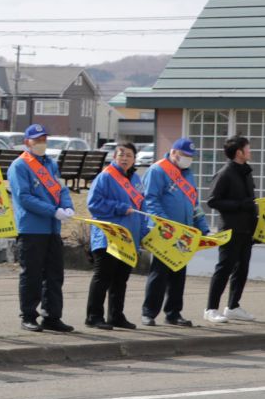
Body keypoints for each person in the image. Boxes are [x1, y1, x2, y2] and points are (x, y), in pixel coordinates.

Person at [10, 124, 77, 332]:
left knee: (55, 274)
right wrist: (53, 211)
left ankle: (52, 316)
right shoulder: (19, 166)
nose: (41, 143)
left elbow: (61, 188)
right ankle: (29, 315)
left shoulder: (51, 164)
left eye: (44, 139)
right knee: (31, 275)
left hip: (52, 228)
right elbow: (24, 198)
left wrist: (67, 206)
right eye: (37, 140)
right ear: (27, 142)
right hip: (31, 228)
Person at [141, 137, 209, 327]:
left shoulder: (188, 174)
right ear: (173, 153)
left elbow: (194, 204)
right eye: (185, 155)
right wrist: (165, 223)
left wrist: (203, 228)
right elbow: (150, 200)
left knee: (178, 273)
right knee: (159, 273)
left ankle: (173, 312)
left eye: (191, 156)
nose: (188, 159)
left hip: (184, 232)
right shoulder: (158, 170)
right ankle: (149, 312)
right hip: (165, 232)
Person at [84, 142, 145, 330]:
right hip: (108, 236)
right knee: (103, 276)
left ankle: (116, 315)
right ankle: (94, 316)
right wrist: (118, 208)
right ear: (114, 157)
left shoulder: (135, 179)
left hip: (129, 237)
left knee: (121, 278)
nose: (125, 158)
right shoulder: (105, 176)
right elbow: (93, 204)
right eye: (121, 154)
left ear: (134, 158)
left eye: (129, 155)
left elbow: (141, 208)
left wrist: (142, 233)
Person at [205, 135, 257, 324]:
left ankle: (233, 306)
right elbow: (212, 200)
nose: (250, 151)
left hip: (246, 230)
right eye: (248, 148)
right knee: (224, 268)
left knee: (242, 269)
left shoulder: (246, 172)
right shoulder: (225, 173)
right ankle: (210, 309)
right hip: (230, 230)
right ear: (239, 152)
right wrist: (240, 205)